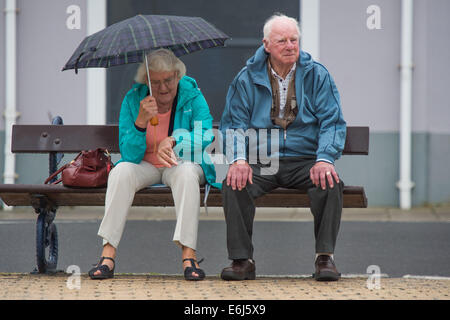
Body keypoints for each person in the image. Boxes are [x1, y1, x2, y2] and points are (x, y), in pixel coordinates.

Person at [219, 13, 347, 281]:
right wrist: (239, 158)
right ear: (266, 45)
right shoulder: (246, 78)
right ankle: (243, 260)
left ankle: (324, 258)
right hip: (262, 158)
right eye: (282, 41)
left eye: (294, 40)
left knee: (329, 182)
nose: (290, 46)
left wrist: (324, 158)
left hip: (305, 160)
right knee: (233, 182)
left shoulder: (316, 75)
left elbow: (332, 122)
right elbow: (233, 124)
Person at [88, 49, 216, 281]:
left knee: (187, 174)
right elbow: (128, 153)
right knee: (120, 172)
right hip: (144, 164)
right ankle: (108, 254)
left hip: (180, 162)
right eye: (155, 82)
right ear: (146, 80)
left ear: (178, 75)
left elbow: (205, 133)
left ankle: (189, 256)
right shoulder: (133, 99)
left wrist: (176, 139)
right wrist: (139, 122)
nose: (163, 88)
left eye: (168, 80)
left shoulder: (192, 95)